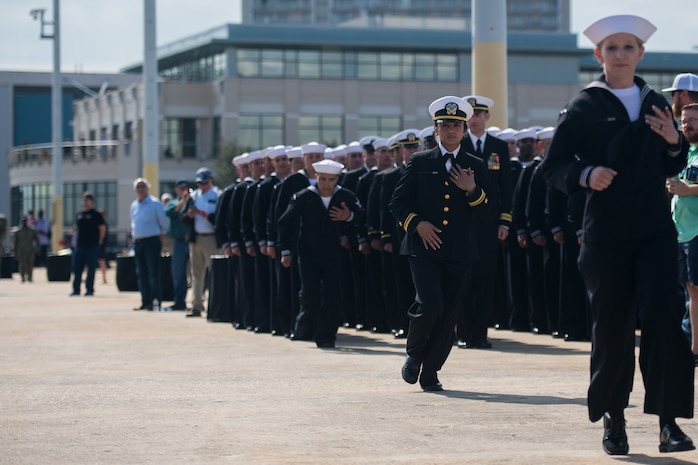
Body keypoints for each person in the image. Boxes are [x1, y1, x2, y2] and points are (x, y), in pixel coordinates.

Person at [540, 15, 695, 455]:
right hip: (605, 232)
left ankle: (669, 422)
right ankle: (614, 419)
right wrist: (586, 174)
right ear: (598, 55)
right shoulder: (583, 105)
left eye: (629, 47)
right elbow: (553, 167)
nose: (621, 54)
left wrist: (672, 142)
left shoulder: (656, 105)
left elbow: (671, 163)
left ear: (640, 53)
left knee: (665, 318)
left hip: (653, 230)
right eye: (613, 48)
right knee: (612, 326)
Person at [389, 95, 495, 392]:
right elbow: (397, 203)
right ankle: (414, 354)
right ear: (435, 129)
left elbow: (488, 213)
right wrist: (417, 224)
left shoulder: (475, 164)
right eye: (445, 125)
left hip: (460, 251)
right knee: (431, 304)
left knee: (449, 314)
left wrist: (472, 190)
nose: (451, 130)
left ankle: (431, 371)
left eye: (457, 125)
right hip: (423, 249)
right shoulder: (420, 161)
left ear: (464, 130)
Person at [277, 159, 363, 348]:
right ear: (315, 177)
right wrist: (285, 250)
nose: (326, 184)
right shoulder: (303, 196)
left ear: (337, 179)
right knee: (310, 294)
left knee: (333, 296)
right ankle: (303, 326)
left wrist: (347, 216)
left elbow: (362, 216)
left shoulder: (345, 196)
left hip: (334, 254)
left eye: (331, 180)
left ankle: (326, 337)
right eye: (322, 179)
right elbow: (284, 222)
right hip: (307, 255)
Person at [457, 95, 512, 349]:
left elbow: (506, 189)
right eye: (470, 115)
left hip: (489, 223)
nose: (474, 120)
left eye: (478, 114)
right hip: (465, 221)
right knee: (464, 277)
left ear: (486, 117)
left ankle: (480, 332)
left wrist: (505, 221)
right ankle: (463, 331)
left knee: (486, 278)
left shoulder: (499, 147)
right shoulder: (459, 144)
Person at [668, 103, 698, 358]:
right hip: (681, 231)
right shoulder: (684, 153)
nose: (687, 125)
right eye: (685, 120)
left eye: (693, 120)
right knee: (689, 289)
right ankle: (692, 346)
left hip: (697, 231)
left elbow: (689, 186)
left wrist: (687, 190)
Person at [182, 167, 221, 318]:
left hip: (211, 238)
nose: (202, 186)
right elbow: (182, 218)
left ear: (210, 181)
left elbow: (220, 217)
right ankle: (196, 305)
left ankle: (215, 304)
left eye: (204, 183)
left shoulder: (217, 195)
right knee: (196, 275)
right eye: (200, 183)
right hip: (196, 238)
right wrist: (189, 215)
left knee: (214, 273)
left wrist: (208, 216)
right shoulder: (193, 196)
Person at [130, 178, 169, 311]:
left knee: (153, 272)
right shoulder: (134, 205)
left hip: (151, 241)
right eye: (138, 187)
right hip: (138, 242)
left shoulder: (155, 203)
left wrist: (162, 234)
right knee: (141, 273)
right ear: (135, 190)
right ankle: (145, 301)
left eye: (143, 186)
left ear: (147, 188)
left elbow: (164, 221)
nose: (141, 189)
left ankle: (155, 301)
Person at [163, 180, 192, 312]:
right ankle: (179, 301)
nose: (184, 191)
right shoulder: (173, 203)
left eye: (186, 188)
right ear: (176, 190)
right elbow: (169, 212)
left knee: (196, 273)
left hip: (192, 240)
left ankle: (199, 300)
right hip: (179, 241)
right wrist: (183, 202)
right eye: (181, 188)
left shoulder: (193, 201)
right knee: (178, 273)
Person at [71, 192, 106, 296]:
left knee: (91, 269)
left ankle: (89, 289)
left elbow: (102, 228)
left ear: (92, 201)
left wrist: (100, 240)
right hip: (80, 246)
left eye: (87, 200)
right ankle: (76, 289)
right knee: (77, 269)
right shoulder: (79, 215)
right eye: (84, 200)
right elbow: (76, 227)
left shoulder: (96, 215)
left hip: (92, 246)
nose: (85, 202)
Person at [13, 216, 39, 282]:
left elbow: (37, 240)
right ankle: (22, 277)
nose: (24, 222)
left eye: (25, 221)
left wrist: (37, 249)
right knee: (22, 264)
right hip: (21, 251)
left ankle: (30, 277)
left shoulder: (32, 231)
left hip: (30, 250)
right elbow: (15, 243)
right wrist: (15, 252)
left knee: (30, 264)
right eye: (23, 221)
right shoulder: (18, 232)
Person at [97, 209, 109, 284]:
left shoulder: (103, 224)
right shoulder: (102, 223)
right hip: (100, 244)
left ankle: (104, 278)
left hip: (100, 245)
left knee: (101, 261)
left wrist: (99, 241)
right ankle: (104, 278)